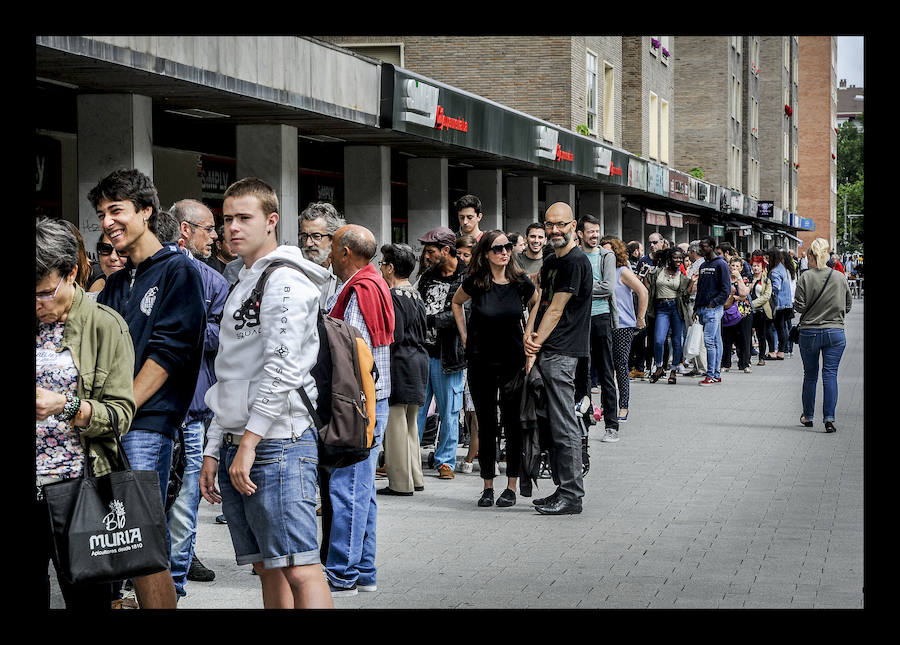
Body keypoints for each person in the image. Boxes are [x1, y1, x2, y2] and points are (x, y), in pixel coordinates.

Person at [199, 177, 334, 609]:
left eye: (244, 218)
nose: (232, 228)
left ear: (271, 221)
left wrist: (249, 443)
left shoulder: (285, 281)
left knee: (298, 564)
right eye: (226, 220)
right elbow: (232, 371)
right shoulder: (245, 278)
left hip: (280, 440)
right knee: (269, 565)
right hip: (249, 440)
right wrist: (215, 446)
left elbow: (283, 368)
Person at [92, 168, 205, 608]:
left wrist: (118, 412)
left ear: (145, 211)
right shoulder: (119, 280)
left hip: (146, 424)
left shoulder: (179, 271)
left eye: (116, 210)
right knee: (122, 537)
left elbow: (168, 354)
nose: (107, 222)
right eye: (102, 213)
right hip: (112, 425)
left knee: (141, 538)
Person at [36, 217, 136, 610]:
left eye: (45, 293)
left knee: (88, 597)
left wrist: (67, 405)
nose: (38, 303)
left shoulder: (103, 325)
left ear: (72, 273)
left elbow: (121, 415)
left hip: (79, 487)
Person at [321, 224, 394, 597]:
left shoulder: (359, 290)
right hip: (373, 400)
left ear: (347, 251)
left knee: (348, 487)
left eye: (332, 246)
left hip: (360, 403)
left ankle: (341, 572)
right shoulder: (374, 282)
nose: (329, 253)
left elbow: (348, 356)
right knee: (361, 490)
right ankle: (363, 570)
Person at [165, 199, 230, 595]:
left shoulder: (213, 280)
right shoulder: (154, 272)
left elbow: (223, 336)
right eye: (209, 229)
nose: (216, 236)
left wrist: (186, 331)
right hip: (151, 408)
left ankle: (175, 576)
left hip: (192, 407)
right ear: (185, 230)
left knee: (187, 496)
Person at [452, 230, 538, 508]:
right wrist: (464, 336)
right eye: (498, 248)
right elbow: (456, 303)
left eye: (508, 247)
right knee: (486, 425)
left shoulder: (520, 281)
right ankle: (487, 485)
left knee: (513, 424)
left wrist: (530, 334)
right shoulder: (477, 281)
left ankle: (511, 486)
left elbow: (537, 302)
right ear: (486, 253)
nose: (504, 252)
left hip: (513, 361)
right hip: (480, 361)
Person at [524, 202, 592, 516]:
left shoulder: (576, 262)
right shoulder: (552, 261)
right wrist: (529, 333)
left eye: (560, 224)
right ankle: (562, 489)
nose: (554, 230)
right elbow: (540, 299)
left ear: (573, 225)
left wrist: (534, 345)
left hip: (563, 353)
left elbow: (557, 308)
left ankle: (572, 496)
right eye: (550, 224)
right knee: (552, 426)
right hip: (547, 350)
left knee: (565, 426)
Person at [416, 226, 468, 480]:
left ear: (446, 250)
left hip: (450, 355)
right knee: (416, 408)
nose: (427, 256)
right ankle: (410, 458)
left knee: (449, 411)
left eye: (431, 251)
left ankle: (445, 460)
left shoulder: (466, 276)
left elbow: (463, 314)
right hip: (422, 352)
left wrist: (428, 320)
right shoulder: (427, 275)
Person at [377, 243, 428, 496]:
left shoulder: (394, 296)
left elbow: (393, 334)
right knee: (410, 424)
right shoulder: (416, 295)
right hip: (419, 360)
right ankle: (415, 476)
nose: (381, 268)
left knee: (395, 424)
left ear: (391, 268)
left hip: (400, 361)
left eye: (383, 264)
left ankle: (399, 482)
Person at [794, 238, 852, 433]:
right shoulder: (839, 277)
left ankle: (808, 416)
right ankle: (829, 418)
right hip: (835, 332)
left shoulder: (805, 277)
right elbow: (848, 305)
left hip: (809, 332)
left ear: (811, 255)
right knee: (830, 375)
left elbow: (800, 306)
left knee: (810, 375)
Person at [576, 214, 620, 442]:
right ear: (580, 234)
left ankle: (612, 425)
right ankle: (583, 422)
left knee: (605, 373)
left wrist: (581, 287)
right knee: (582, 371)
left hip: (601, 317)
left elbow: (608, 287)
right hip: (580, 320)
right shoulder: (575, 255)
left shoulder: (607, 255)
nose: (595, 235)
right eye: (590, 231)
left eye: (597, 231)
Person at [600, 235, 647, 423]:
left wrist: (640, 317)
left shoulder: (622, 271)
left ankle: (623, 406)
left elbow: (643, 291)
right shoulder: (600, 271)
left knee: (620, 366)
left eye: (609, 251)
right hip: (604, 323)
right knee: (605, 367)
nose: (606, 254)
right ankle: (607, 405)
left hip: (623, 324)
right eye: (603, 251)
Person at [645, 247, 691, 385]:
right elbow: (647, 283)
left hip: (676, 308)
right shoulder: (657, 272)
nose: (678, 260)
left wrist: (692, 282)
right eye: (675, 257)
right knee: (659, 340)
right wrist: (645, 282)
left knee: (677, 341)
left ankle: (673, 370)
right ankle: (659, 367)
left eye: (680, 258)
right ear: (669, 258)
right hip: (661, 308)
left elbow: (685, 296)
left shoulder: (682, 277)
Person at [454, 233, 480, 473]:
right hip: (463, 351)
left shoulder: (477, 280)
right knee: (468, 407)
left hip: (479, 351)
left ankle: (474, 452)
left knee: (475, 409)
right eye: (458, 253)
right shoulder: (460, 279)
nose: (461, 258)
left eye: (466, 254)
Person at [693, 236, 731, 386]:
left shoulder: (721, 264)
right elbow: (701, 288)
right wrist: (697, 308)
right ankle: (716, 374)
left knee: (710, 342)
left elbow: (726, 289)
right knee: (715, 341)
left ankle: (711, 375)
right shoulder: (703, 265)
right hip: (703, 308)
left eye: (703, 246)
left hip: (713, 310)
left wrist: (713, 304)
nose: (700, 249)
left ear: (712, 247)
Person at [300, 201, 346, 308]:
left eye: (316, 236)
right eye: (304, 236)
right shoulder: (296, 274)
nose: (308, 243)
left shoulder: (345, 275)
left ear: (333, 239)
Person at [720, 255, 753, 374]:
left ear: (741, 268)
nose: (734, 268)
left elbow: (744, 293)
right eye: (732, 265)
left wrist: (738, 278)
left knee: (744, 338)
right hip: (727, 312)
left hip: (743, 313)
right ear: (728, 266)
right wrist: (735, 297)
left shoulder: (745, 279)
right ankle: (725, 363)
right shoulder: (724, 278)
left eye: (737, 266)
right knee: (726, 339)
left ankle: (745, 363)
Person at [766, 248, 793, 361]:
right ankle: (781, 351)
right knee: (782, 327)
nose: (767, 260)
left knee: (773, 327)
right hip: (786, 303)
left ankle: (775, 351)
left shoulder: (775, 271)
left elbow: (776, 287)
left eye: (768, 258)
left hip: (778, 304)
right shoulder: (784, 269)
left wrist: (768, 292)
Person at [749, 253, 774, 367]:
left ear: (762, 267)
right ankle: (746, 357)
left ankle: (762, 357)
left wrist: (752, 304)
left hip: (761, 311)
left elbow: (766, 296)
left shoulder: (766, 281)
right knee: (747, 334)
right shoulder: (748, 278)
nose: (755, 268)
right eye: (754, 265)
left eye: (758, 265)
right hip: (748, 311)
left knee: (761, 335)